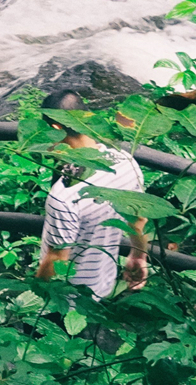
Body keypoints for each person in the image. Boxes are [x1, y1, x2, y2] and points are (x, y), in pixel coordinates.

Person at [34, 91, 149, 298]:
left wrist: (35, 294)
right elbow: (138, 219)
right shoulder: (126, 163)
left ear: (55, 128)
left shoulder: (65, 195)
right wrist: (139, 257)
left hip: (66, 299)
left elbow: (57, 259)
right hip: (103, 285)